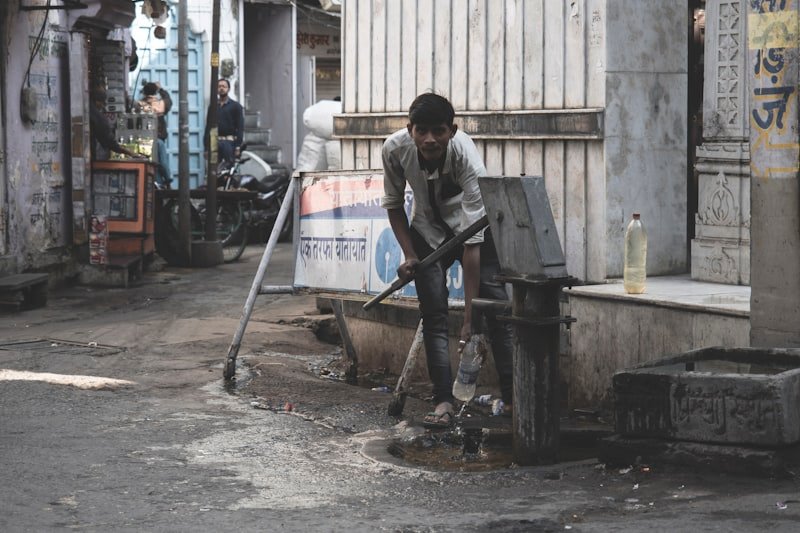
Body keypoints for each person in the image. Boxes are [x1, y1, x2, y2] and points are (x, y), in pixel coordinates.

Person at [381, 92, 515, 429]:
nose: (430, 139)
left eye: (438, 131)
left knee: (494, 310)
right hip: (426, 231)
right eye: (421, 131)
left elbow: (472, 245)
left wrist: (470, 319)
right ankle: (443, 401)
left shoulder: (467, 159)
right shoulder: (394, 150)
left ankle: (515, 398)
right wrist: (410, 253)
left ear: (452, 130)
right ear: (409, 129)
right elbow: (394, 204)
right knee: (434, 315)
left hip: (473, 231)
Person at [136, 81, 173, 187]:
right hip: (158, 138)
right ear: (155, 92)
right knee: (162, 161)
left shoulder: (139, 104)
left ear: (144, 92)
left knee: (152, 164)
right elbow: (168, 100)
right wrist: (161, 89)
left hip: (144, 139)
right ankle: (167, 179)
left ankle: (158, 184)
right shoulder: (161, 104)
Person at [89, 88, 141, 161]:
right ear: (97, 102)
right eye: (103, 103)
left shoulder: (87, 109)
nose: (103, 106)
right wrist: (129, 153)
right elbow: (110, 142)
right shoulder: (98, 117)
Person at [204, 78, 244, 167]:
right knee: (213, 169)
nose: (221, 88)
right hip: (214, 140)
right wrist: (206, 147)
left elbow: (240, 127)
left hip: (228, 142)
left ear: (228, 89)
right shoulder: (213, 106)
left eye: (224, 86)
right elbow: (208, 126)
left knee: (228, 167)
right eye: (219, 86)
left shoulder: (236, 106)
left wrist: (238, 146)